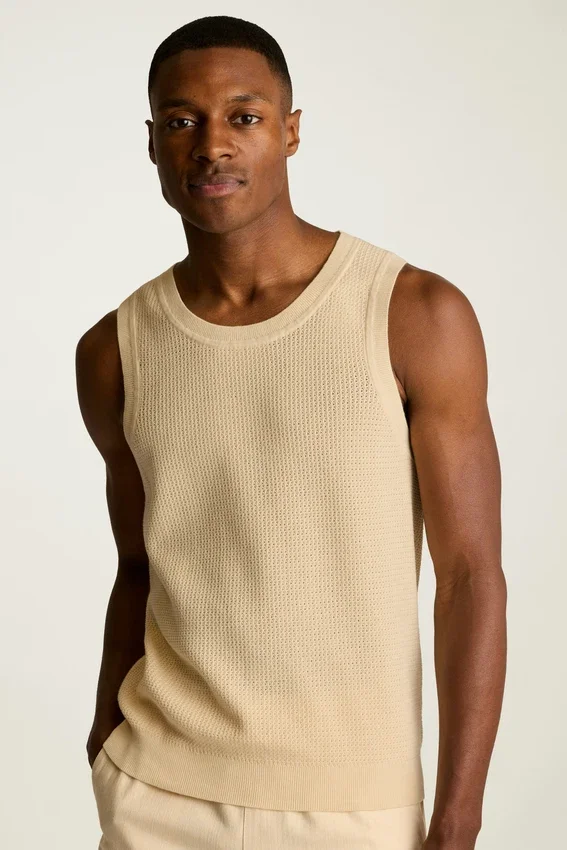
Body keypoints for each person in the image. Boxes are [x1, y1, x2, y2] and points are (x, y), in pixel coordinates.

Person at [75, 15, 507, 850]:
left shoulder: (414, 314)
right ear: (153, 142)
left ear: (290, 132)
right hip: (157, 793)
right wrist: (105, 746)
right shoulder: (114, 351)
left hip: (354, 807)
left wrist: (458, 819)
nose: (212, 145)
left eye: (243, 116)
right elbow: (137, 568)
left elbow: (468, 577)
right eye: (181, 120)